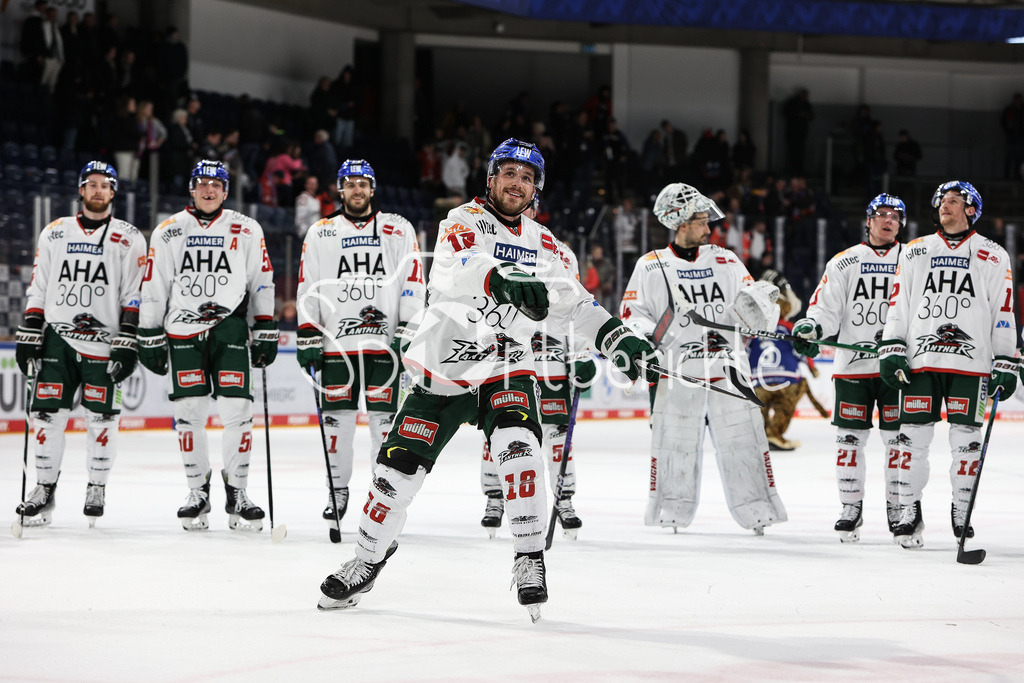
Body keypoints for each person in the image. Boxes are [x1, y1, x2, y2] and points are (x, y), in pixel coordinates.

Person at [316, 139, 655, 619]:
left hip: (506, 364)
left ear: (536, 189)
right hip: (445, 366)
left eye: (528, 177)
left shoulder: (548, 246)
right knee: (395, 476)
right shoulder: (462, 220)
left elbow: (575, 303)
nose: (518, 183)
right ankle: (367, 559)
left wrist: (618, 337)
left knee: (521, 452)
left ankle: (530, 557)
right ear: (491, 178)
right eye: (509, 173)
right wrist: (500, 279)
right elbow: (458, 268)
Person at [620, 182, 787, 534]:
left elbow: (753, 305)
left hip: (729, 368)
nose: (708, 228)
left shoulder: (726, 260)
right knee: (674, 443)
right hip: (677, 370)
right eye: (700, 220)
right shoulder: (650, 266)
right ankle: (670, 511)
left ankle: (759, 511)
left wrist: (762, 300)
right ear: (681, 222)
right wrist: (642, 337)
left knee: (745, 439)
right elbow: (632, 314)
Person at [137, 160, 279, 532]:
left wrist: (265, 325)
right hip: (182, 331)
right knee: (189, 414)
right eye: (202, 182)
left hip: (230, 328)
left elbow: (262, 280)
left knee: (238, 412)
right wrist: (148, 332)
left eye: (217, 184)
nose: (209, 189)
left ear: (226, 191)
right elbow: (154, 285)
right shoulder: (168, 230)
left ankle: (238, 493)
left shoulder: (246, 228)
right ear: (191, 188)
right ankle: (197, 492)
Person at [878, 181, 1018, 548]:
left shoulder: (993, 254)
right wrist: (892, 345)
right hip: (921, 361)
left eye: (954, 201)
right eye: (943, 200)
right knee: (910, 439)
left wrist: (1006, 358)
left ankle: (962, 510)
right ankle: (908, 510)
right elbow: (899, 303)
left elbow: (1003, 310)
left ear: (972, 210)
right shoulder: (915, 250)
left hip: (972, 363)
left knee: (967, 443)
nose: (945, 206)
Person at [295, 159, 426, 542]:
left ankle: (381, 497)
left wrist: (408, 327)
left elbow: (413, 280)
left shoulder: (398, 228)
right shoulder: (321, 232)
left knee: (385, 428)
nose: (357, 189)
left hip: (385, 347)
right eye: (350, 183)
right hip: (337, 345)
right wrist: (308, 333)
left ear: (373, 189)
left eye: (363, 183)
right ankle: (337, 492)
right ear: (340, 190)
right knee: (337, 427)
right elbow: (308, 285)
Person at [15, 162, 146, 527]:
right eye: (92, 184)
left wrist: (128, 337)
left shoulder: (129, 237)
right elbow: (39, 284)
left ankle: (96, 487)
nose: (98, 190)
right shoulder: (55, 232)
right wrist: (30, 329)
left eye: (105, 185)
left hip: (104, 342)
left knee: (102, 419)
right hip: (58, 339)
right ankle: (43, 489)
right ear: (81, 189)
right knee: (46, 416)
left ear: (113, 192)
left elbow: (133, 292)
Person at [792, 194, 907, 542]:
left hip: (897, 368)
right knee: (849, 440)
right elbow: (825, 309)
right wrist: (812, 327)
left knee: (899, 442)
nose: (888, 221)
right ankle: (850, 508)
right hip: (853, 368)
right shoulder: (845, 262)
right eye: (882, 214)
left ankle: (899, 508)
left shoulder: (913, 260)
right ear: (868, 221)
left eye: (895, 217)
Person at [478, 202, 597, 540]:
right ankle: (495, 497)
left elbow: (575, 304)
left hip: (550, 357)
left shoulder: (559, 252)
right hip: (504, 356)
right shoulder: (487, 244)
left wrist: (582, 351)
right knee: (499, 430)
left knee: (558, 433)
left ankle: (564, 499)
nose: (526, 212)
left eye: (532, 207)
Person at [748, 270, 819, 452]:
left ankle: (761, 435)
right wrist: (812, 368)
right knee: (784, 406)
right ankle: (774, 433)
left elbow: (745, 351)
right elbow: (800, 350)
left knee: (759, 408)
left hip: (758, 378)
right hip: (787, 377)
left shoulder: (753, 330)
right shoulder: (788, 328)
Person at [783, 88, 813, 176]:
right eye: (805, 95)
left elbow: (811, 116)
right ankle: (793, 171)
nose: (806, 97)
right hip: (793, 131)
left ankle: (799, 171)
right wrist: (798, 114)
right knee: (793, 151)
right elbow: (787, 112)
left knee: (800, 152)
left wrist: (805, 115)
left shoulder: (806, 104)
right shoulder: (792, 102)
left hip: (802, 132)